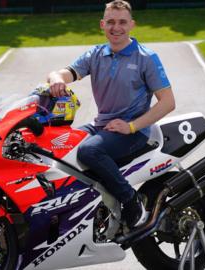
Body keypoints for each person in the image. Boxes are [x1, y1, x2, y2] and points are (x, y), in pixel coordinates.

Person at [47, 0, 175, 228]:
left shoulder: (146, 58)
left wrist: (132, 126)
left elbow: (168, 103)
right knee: (57, 144)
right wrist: (56, 78)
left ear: (132, 25)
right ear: (102, 25)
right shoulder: (95, 54)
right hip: (102, 125)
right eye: (111, 22)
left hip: (132, 132)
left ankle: (130, 199)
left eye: (122, 22)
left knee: (89, 150)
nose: (117, 28)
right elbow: (66, 73)